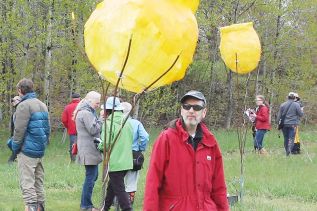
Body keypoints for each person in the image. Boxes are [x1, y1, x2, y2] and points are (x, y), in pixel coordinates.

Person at [144, 90, 229, 211]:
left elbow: (219, 186)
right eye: (187, 106)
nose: (191, 110)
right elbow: (153, 182)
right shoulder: (166, 139)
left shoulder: (211, 143)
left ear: (204, 112)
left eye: (197, 107)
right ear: (181, 110)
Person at [7, 78, 50, 211]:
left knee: (27, 184)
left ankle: (31, 208)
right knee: (38, 183)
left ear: (20, 91)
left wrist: (14, 148)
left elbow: (19, 130)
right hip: (39, 150)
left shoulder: (24, 106)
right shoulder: (42, 104)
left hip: (27, 151)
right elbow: (47, 129)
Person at [97, 96, 133, 211]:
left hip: (115, 161)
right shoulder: (127, 122)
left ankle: (127, 209)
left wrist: (99, 145)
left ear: (108, 110)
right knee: (112, 187)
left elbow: (106, 143)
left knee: (119, 190)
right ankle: (105, 207)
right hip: (126, 161)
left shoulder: (109, 123)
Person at [73, 91, 102, 211]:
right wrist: (101, 119)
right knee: (90, 178)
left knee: (93, 176)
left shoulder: (86, 112)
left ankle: (85, 204)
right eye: (97, 102)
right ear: (90, 101)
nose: (98, 105)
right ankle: (86, 205)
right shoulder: (86, 113)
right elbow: (93, 129)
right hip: (88, 150)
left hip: (88, 149)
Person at [121, 102, 149, 204]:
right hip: (133, 153)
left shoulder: (114, 122)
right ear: (130, 111)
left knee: (117, 177)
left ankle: (116, 198)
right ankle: (129, 200)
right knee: (132, 178)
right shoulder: (136, 123)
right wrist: (141, 148)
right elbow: (145, 137)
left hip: (117, 154)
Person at [62, 92, 81, 162]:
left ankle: (73, 161)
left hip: (72, 131)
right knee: (83, 146)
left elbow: (64, 120)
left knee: (73, 146)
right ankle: (81, 161)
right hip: (83, 130)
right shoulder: (83, 106)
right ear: (79, 98)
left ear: (72, 99)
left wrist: (68, 127)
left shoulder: (67, 107)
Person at [7, 96, 22, 164]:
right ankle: (18, 156)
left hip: (21, 134)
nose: (13, 102)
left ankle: (13, 159)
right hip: (16, 134)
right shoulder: (14, 114)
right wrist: (12, 135)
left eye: (15, 100)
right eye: (12, 101)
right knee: (9, 142)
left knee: (15, 145)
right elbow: (13, 127)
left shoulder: (23, 111)